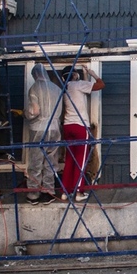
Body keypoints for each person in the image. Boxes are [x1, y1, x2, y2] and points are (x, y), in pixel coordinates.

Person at [61, 64, 105, 200]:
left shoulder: (65, 88)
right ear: (74, 75)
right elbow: (100, 85)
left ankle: (65, 192)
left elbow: (85, 89)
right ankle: (79, 192)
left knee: (70, 159)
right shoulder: (78, 84)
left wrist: (85, 76)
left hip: (68, 126)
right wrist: (93, 74)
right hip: (80, 126)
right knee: (81, 159)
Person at [23, 64, 63, 204]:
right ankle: (49, 191)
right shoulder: (57, 89)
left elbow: (35, 111)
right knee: (51, 160)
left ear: (35, 75)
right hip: (55, 128)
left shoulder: (34, 88)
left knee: (36, 160)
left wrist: (25, 113)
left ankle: (33, 194)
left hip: (39, 128)